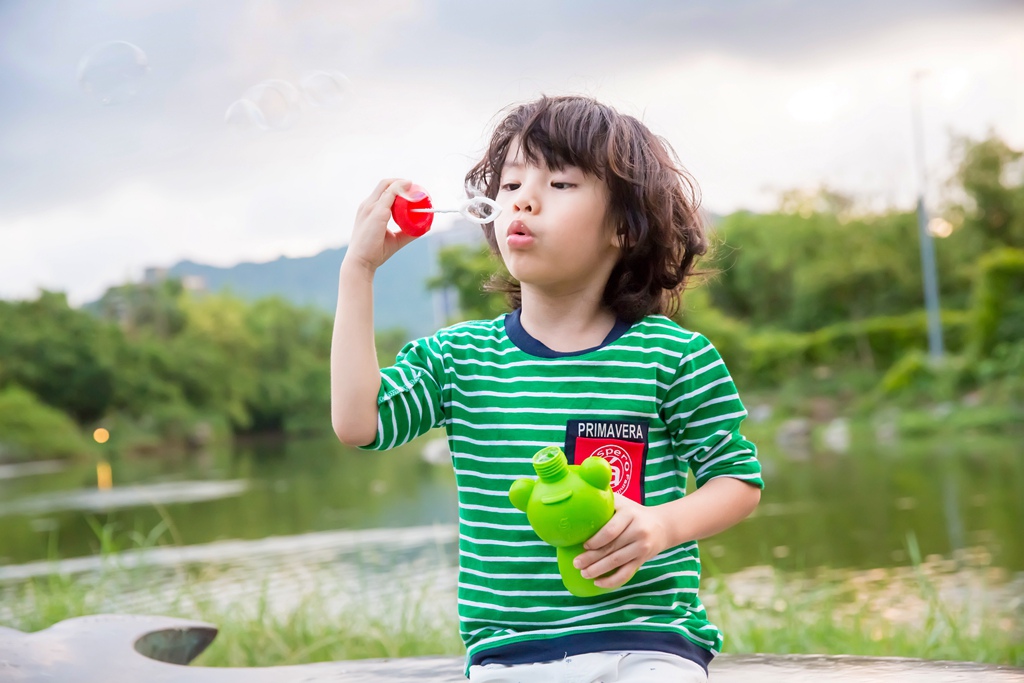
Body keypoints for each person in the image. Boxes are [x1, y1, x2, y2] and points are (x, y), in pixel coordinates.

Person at [331, 95, 763, 682]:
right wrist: (358, 271)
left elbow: (736, 482)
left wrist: (662, 526)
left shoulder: (671, 356)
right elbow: (359, 422)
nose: (524, 199)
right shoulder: (459, 358)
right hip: (509, 654)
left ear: (623, 227)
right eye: (510, 184)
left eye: (560, 183)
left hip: (647, 644)